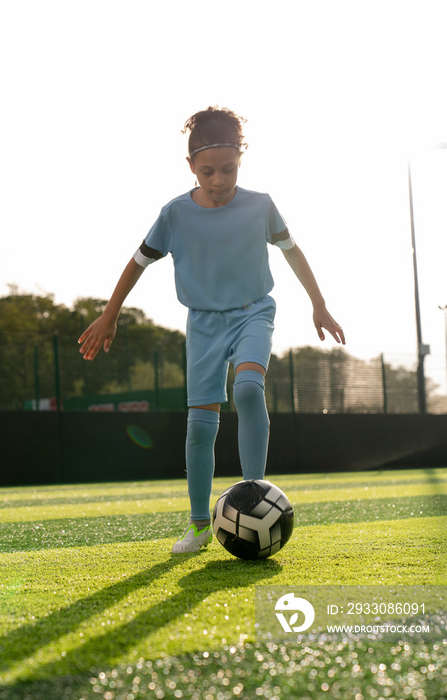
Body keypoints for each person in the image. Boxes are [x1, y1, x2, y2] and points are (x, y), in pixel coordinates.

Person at [78, 106, 345, 554]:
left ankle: (253, 494)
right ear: (190, 168)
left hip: (253, 312)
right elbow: (138, 262)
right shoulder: (175, 214)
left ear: (241, 160)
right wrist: (110, 313)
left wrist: (319, 304)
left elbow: (292, 252)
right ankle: (200, 527)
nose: (218, 180)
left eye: (228, 169)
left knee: (246, 391)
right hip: (202, 324)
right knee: (200, 427)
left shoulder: (261, 205)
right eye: (207, 172)